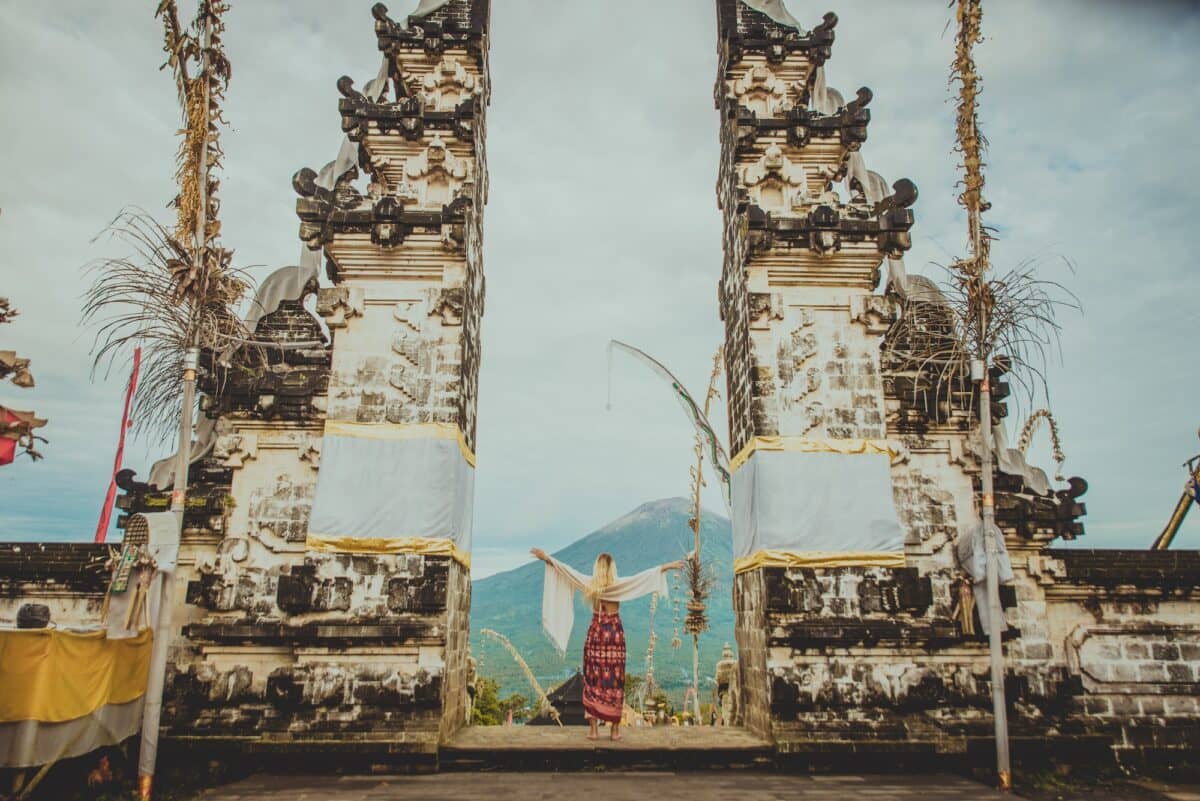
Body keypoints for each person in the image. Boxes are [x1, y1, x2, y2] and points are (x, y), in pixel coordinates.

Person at [531, 549, 683, 741]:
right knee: (614, 681)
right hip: (614, 635)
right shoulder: (619, 584)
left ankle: (594, 731)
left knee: (594, 681)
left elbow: (567, 571)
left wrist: (547, 558)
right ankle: (615, 731)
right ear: (612, 569)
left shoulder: (590, 583)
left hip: (596, 633)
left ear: (597, 568)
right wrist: (666, 567)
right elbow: (643, 578)